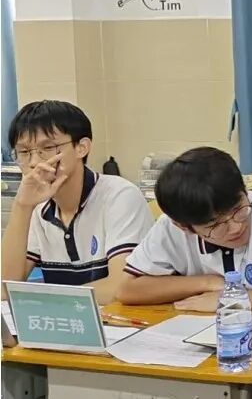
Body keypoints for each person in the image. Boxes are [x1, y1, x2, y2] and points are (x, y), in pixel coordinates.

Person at [117, 147, 252, 314]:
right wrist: (206, 283)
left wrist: (231, 299)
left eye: (238, 210)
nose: (236, 227)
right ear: (183, 226)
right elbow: (127, 289)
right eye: (215, 225)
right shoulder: (170, 227)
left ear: (244, 190)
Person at [1, 101, 154, 304]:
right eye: (24, 152)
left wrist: (45, 300)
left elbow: (120, 286)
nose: (34, 162)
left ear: (82, 148)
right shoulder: (38, 208)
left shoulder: (119, 195)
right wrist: (22, 206)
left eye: (48, 148)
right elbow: (5, 288)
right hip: (65, 319)